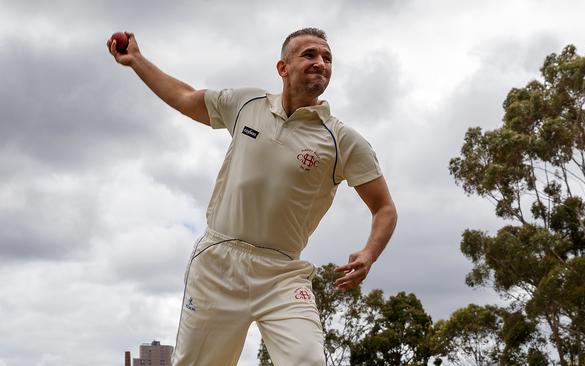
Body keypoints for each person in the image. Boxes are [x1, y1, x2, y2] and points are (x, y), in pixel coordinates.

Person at [107, 27, 397, 366]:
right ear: (282, 68)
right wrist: (137, 61)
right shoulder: (246, 103)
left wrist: (370, 253)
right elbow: (185, 98)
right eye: (310, 55)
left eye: (327, 58)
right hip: (218, 261)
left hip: (282, 273)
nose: (321, 63)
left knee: (308, 361)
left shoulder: (343, 140)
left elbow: (385, 208)